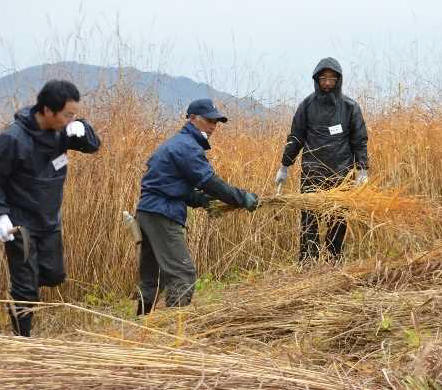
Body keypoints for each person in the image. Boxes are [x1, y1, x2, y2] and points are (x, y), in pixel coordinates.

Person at [0, 80, 101, 336]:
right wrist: (0, 216)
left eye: (74, 114)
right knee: (25, 288)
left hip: (48, 221)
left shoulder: (62, 131)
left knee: (54, 275)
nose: (71, 119)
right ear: (47, 110)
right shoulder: (12, 139)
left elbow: (92, 146)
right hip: (20, 223)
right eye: (68, 114)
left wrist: (83, 128)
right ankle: (22, 340)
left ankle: (25, 288)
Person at [134, 98, 259, 315]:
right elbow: (209, 182)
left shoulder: (177, 143)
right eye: (209, 120)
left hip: (148, 212)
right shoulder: (186, 147)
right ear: (192, 119)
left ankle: (142, 326)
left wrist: (203, 201)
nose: (213, 127)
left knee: (153, 276)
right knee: (183, 274)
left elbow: (172, 185)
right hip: (162, 214)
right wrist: (242, 198)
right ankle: (174, 330)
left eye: (216, 122)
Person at [275, 57, 369, 262]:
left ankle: (333, 261)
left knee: (338, 219)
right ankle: (308, 263)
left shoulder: (350, 107)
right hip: (313, 173)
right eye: (323, 78)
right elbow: (295, 138)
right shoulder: (307, 106)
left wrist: (363, 170)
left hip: (341, 173)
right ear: (316, 79)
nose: (327, 83)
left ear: (339, 80)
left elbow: (359, 140)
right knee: (309, 219)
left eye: (331, 78)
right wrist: (284, 166)